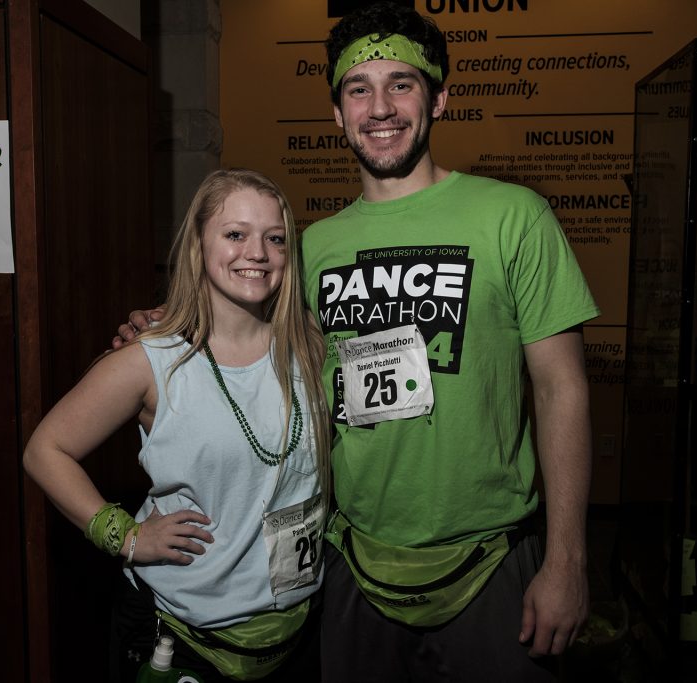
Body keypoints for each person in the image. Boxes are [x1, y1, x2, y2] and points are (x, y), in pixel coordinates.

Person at [119, 4, 600, 681]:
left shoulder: (513, 217)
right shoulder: (312, 248)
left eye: (401, 84)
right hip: (352, 560)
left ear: (439, 98)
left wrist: (568, 562)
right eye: (358, 89)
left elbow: (562, 387)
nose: (381, 107)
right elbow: (245, 327)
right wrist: (169, 322)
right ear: (336, 114)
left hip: (491, 564)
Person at [26, 168, 330, 682]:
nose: (256, 252)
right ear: (199, 245)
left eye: (274, 238)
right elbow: (45, 450)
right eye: (235, 234)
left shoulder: (309, 343)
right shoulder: (152, 359)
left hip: (296, 632)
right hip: (181, 636)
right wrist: (123, 536)